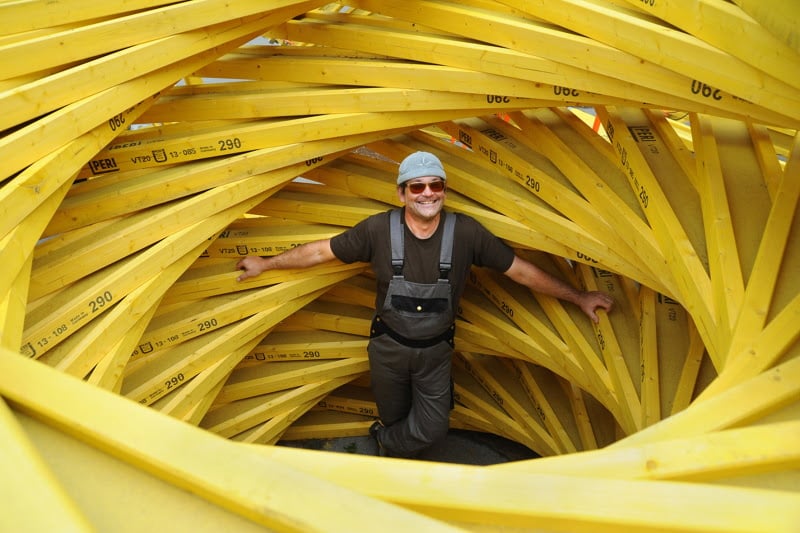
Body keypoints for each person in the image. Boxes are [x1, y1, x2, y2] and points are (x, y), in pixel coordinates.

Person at [236, 151, 613, 458]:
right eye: (417, 186)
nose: (427, 193)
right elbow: (320, 252)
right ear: (402, 194)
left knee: (432, 428)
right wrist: (265, 264)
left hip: (436, 353)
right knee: (393, 414)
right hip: (388, 348)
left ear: (444, 190)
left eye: (435, 185)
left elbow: (523, 273)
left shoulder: (466, 233)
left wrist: (579, 297)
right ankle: (399, 468)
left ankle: (386, 444)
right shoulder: (378, 230)